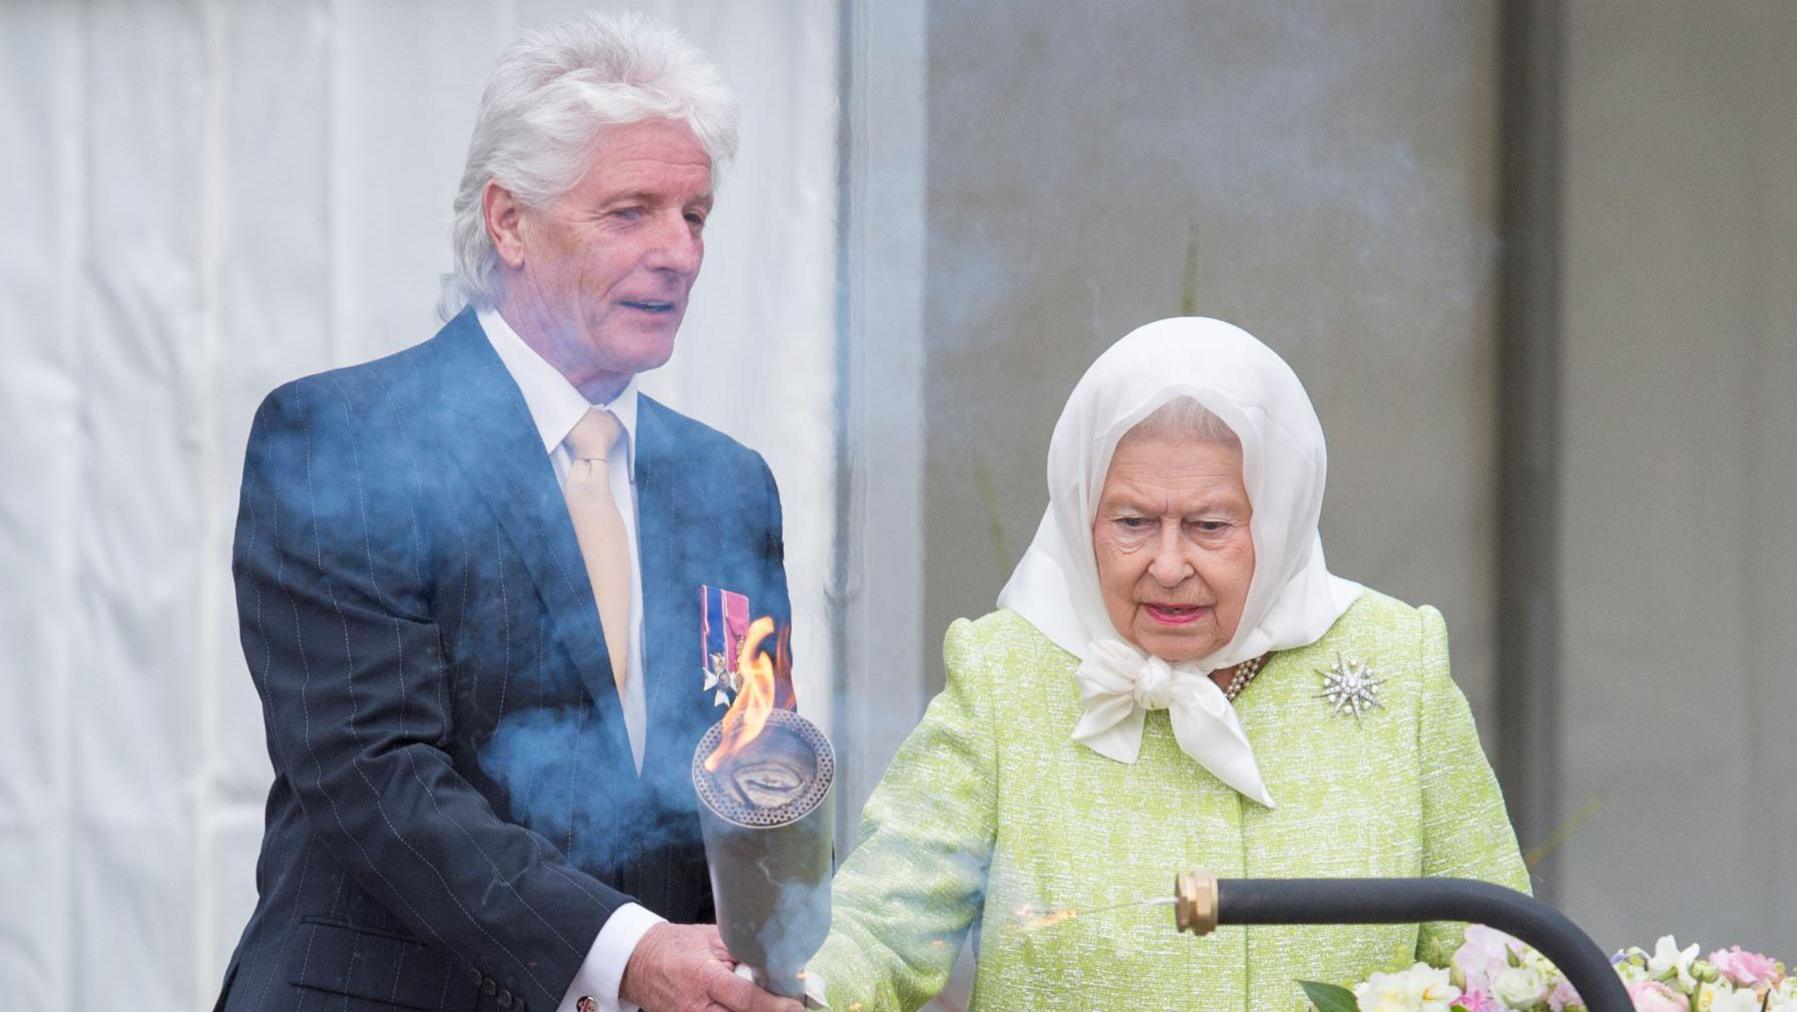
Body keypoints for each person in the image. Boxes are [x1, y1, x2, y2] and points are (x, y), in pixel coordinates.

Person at [218, 13, 800, 1012]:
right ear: (508, 221)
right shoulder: (344, 440)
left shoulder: (726, 482)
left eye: (695, 215)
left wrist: (793, 954)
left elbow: (749, 781)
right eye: (631, 212)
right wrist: (627, 954)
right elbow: (377, 776)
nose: (679, 253)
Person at [812, 317, 1529, 1009]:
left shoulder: (1395, 659)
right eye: (1132, 522)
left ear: (1277, 519)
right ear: (1079, 511)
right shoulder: (1007, 670)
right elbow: (885, 922)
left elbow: (1500, 958)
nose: (1167, 564)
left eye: (1208, 526)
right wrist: (798, 994)